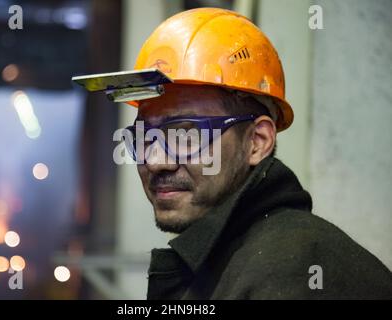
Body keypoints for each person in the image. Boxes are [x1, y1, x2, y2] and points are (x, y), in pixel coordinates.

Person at [73, 8, 392, 299]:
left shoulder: (291, 271)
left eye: (186, 135)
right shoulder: (229, 260)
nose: (157, 161)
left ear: (257, 141)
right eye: (145, 136)